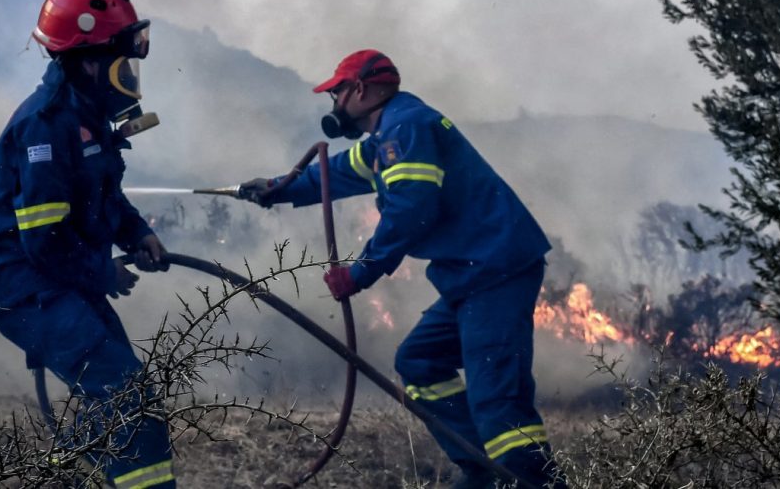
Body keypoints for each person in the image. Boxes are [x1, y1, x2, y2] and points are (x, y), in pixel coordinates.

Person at [241, 49, 565, 488]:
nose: (333, 104)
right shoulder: (386, 138)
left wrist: (361, 273)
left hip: (496, 273)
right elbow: (332, 174)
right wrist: (278, 188)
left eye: (336, 92)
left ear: (360, 89)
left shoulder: (405, 128)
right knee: (420, 361)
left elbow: (413, 209)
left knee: (497, 401)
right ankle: (481, 469)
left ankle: (530, 481)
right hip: (474, 277)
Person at [0, 0, 175, 487]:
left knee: (126, 394)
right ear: (88, 61)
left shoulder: (88, 119)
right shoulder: (45, 127)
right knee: (124, 394)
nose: (129, 71)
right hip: (24, 287)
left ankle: (84, 476)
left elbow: (103, 198)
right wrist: (103, 270)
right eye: (121, 58)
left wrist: (138, 231)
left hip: (61, 280)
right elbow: (44, 240)